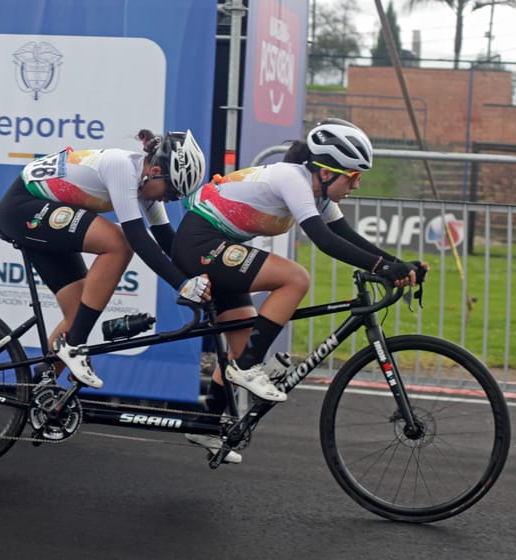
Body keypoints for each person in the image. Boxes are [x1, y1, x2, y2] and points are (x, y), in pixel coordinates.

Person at [172, 118, 429, 431]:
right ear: (326, 172)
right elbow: (324, 240)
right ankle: (248, 368)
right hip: (200, 244)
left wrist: (398, 264)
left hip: (218, 246)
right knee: (295, 278)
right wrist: (382, 267)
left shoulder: (320, 192)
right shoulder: (292, 178)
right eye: (353, 176)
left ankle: (206, 425)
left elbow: (346, 235)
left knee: (242, 347)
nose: (356, 186)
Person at [0, 130, 210, 390]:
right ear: (155, 171)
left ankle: (36, 392)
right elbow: (138, 238)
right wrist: (183, 285)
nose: (167, 199)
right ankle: (74, 346)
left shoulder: (146, 182)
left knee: (78, 315)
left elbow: (165, 238)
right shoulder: (122, 167)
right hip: (22, 207)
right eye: (171, 192)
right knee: (119, 243)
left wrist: (200, 277)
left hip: (47, 212)